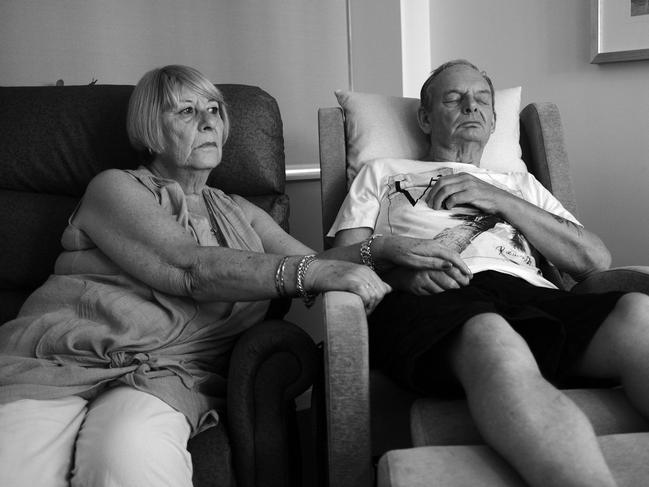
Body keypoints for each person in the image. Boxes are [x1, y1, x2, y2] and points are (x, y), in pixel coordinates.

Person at [0, 65, 467, 487]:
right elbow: (189, 269)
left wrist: (384, 252)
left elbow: (314, 261)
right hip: (59, 357)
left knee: (129, 455)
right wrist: (317, 271)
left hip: (169, 373)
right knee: (18, 465)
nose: (208, 121)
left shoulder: (239, 211)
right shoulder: (116, 188)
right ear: (150, 129)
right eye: (186, 111)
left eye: (214, 109)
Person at [329, 59, 649, 487]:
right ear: (425, 118)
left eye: (482, 99)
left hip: (531, 293)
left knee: (639, 314)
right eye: (454, 98)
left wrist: (499, 198)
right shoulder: (382, 173)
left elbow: (594, 259)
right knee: (491, 334)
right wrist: (399, 275)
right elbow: (336, 262)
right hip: (434, 293)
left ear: (494, 119)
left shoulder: (520, 184)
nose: (471, 107)